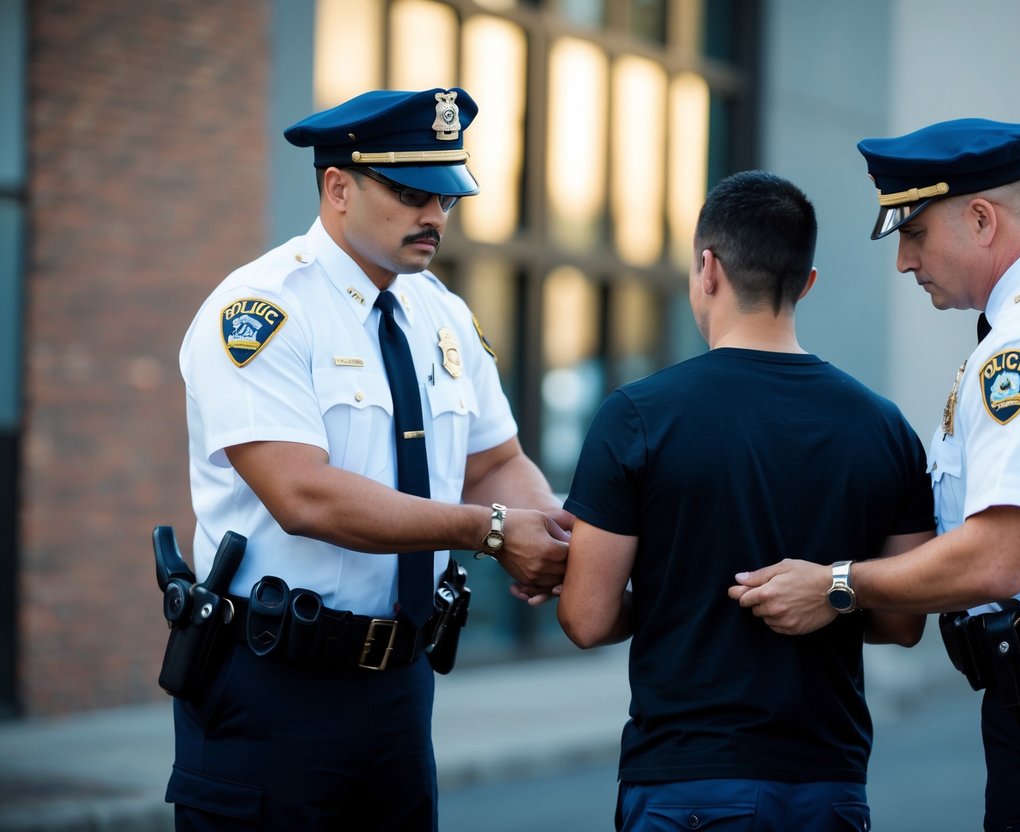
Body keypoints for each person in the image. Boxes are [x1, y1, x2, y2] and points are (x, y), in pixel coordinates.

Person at [730, 119, 1020, 831]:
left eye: (912, 234)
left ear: (980, 219)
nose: (903, 263)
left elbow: (998, 557)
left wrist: (838, 585)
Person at [168, 88, 570, 830]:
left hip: (400, 685)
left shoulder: (440, 314)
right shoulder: (262, 308)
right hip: (275, 682)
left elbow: (495, 461)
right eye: (414, 193)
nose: (435, 217)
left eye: (447, 198)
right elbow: (303, 496)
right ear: (338, 187)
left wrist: (550, 533)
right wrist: (487, 532)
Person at [556, 170, 936, 831]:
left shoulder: (638, 417)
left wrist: (673, 592)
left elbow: (586, 619)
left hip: (685, 783)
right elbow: (902, 623)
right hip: (829, 782)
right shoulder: (884, 428)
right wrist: (833, 595)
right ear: (806, 283)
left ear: (707, 268)